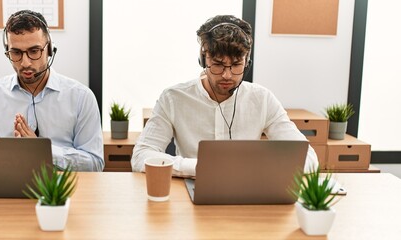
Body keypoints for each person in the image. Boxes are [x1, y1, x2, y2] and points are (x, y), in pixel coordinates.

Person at [131, 15, 318, 177]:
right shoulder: (173, 98)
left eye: (236, 65)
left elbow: (308, 157)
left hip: (246, 193)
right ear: (203, 59)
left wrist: (261, 168)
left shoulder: (262, 99)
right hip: (190, 190)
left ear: (247, 62)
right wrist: (199, 167)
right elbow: (141, 155)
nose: (227, 75)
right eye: (218, 64)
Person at [0, 10, 104, 171]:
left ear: (49, 50)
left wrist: (43, 151)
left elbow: (95, 164)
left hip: (62, 191)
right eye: (16, 53)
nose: (25, 63)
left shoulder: (81, 97)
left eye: (34, 51)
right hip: (6, 190)